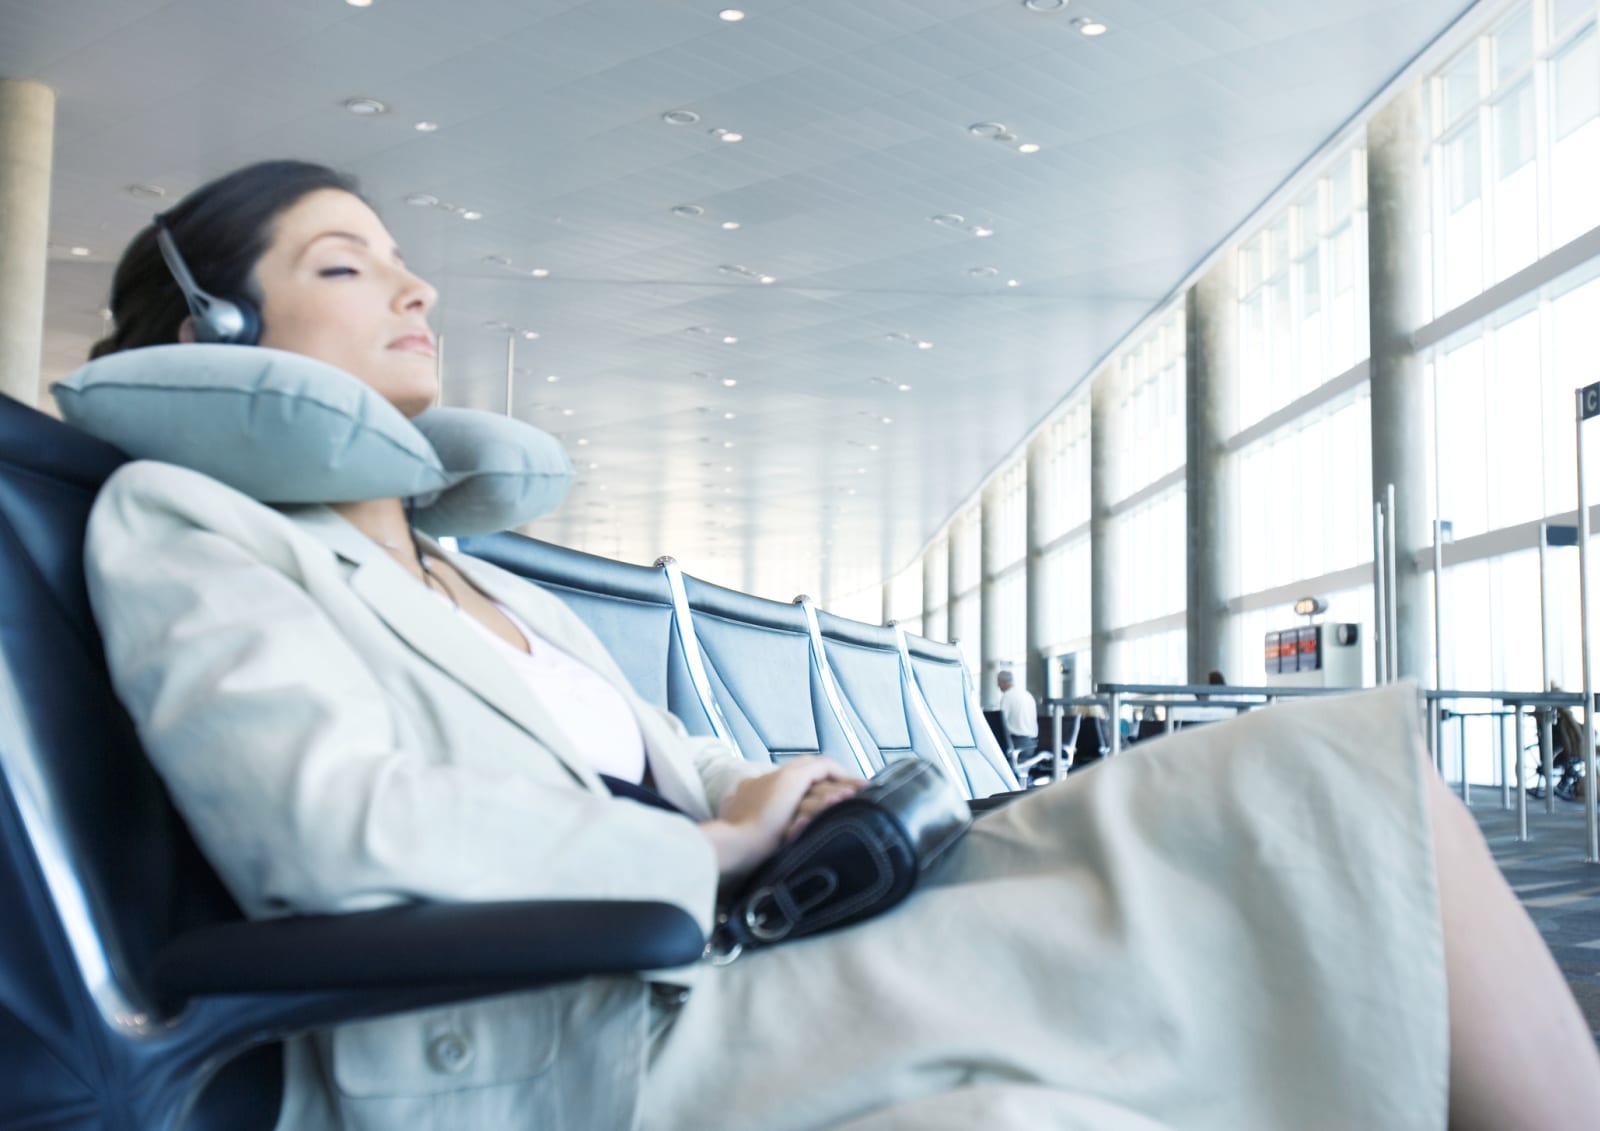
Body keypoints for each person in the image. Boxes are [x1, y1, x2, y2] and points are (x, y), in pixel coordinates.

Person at [79, 161, 1600, 1131]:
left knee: (1338, 787)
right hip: (583, 1039)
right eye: (347, 263)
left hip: (723, 957)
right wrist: (718, 857)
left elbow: (680, 768)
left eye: (405, 256)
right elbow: (328, 827)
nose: (417, 286)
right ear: (220, 337)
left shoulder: (473, 573)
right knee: (1321, 795)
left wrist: (778, 791)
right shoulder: (192, 523)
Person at [995, 669, 1038, 762]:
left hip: (1017, 744)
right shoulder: (1027, 695)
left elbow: (1001, 722)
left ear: (1004, 682)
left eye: (999, 683)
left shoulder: (1007, 696)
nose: (998, 686)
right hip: (1032, 744)